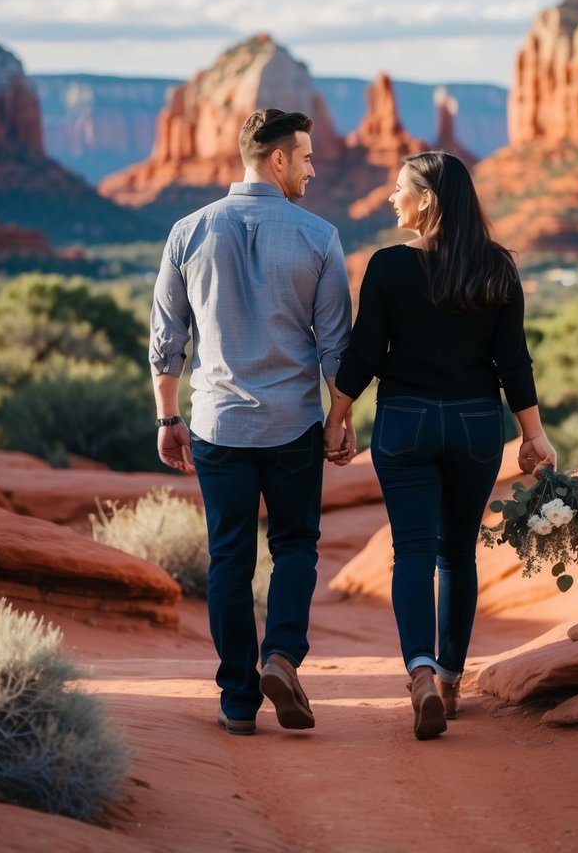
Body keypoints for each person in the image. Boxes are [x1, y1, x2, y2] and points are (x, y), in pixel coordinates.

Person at [324, 151, 556, 740]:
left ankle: (420, 672)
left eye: (400, 188)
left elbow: (365, 355)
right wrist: (533, 434)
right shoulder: (498, 268)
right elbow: (514, 363)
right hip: (478, 426)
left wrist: (338, 417)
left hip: (405, 424)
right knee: (458, 555)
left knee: (413, 553)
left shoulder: (388, 266)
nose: (390, 197)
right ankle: (451, 682)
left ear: (427, 200)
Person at [149, 108, 355, 737]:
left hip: (217, 426)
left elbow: (166, 340)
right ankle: (282, 657)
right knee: (295, 547)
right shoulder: (320, 237)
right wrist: (338, 419)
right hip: (293, 426)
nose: (314, 169)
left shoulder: (187, 231)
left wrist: (167, 417)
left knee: (230, 560)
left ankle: (238, 699)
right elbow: (337, 347)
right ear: (278, 160)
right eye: (308, 158)